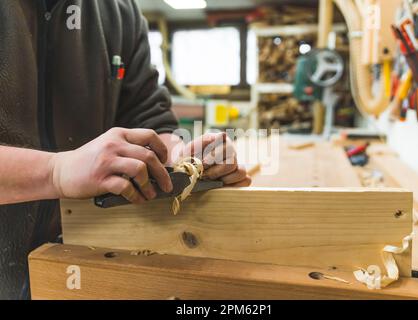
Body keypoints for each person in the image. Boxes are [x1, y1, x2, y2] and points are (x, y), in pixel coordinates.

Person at [0, 0, 251, 299]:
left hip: (83, 261)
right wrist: (56, 171)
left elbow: (149, 118)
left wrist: (183, 161)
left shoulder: (119, 10)